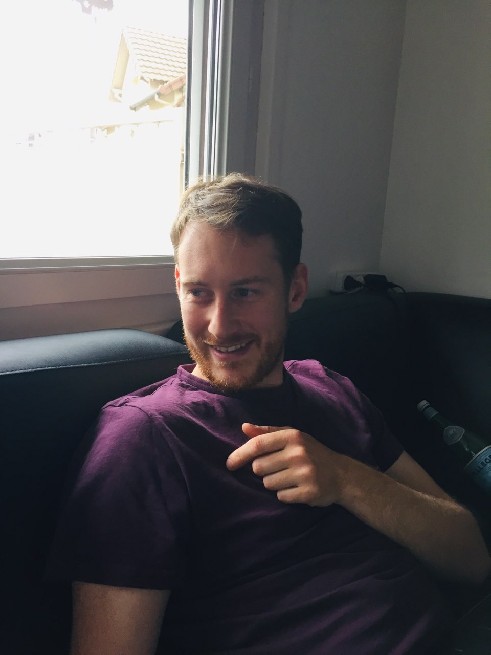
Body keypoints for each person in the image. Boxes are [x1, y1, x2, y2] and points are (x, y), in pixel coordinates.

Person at [48, 173, 490, 654]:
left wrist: (346, 479)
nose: (219, 326)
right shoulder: (141, 438)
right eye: (198, 292)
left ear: (295, 289)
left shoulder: (332, 389)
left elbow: (471, 556)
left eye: (245, 292)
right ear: (177, 286)